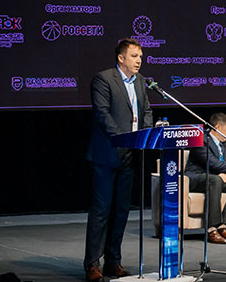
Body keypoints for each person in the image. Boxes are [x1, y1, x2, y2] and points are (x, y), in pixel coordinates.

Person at [84, 39, 153, 282]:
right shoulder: (103, 79)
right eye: (134, 56)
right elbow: (102, 114)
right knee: (101, 211)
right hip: (107, 155)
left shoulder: (141, 81)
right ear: (121, 58)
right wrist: (123, 139)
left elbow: (146, 110)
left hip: (130, 156)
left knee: (122, 211)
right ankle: (92, 264)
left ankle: (113, 261)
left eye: (141, 56)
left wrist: (144, 135)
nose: (139, 61)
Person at [185, 112, 226, 243]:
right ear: (217, 127)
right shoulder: (201, 140)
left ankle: (224, 227)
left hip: (217, 180)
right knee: (215, 179)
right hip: (197, 179)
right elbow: (212, 162)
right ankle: (212, 229)